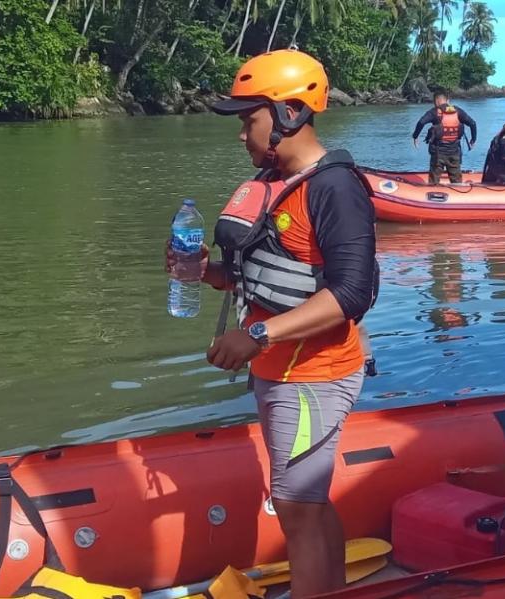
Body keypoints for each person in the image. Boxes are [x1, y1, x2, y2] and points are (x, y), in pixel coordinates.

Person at [165, 49, 377, 599]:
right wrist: (206, 272)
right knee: (306, 502)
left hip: (314, 375)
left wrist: (255, 336)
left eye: (248, 118)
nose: (241, 133)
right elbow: (270, 277)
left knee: (295, 507)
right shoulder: (275, 182)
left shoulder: (334, 188)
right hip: (282, 369)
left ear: (289, 114)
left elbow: (351, 292)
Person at [411, 91, 477, 184]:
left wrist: (415, 136)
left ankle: (433, 193)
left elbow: (421, 122)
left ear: (436, 101)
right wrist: (473, 140)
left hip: (438, 152)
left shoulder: (434, 112)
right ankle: (458, 194)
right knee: (456, 181)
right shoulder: (457, 111)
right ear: (447, 100)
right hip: (454, 151)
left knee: (434, 180)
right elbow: (472, 123)